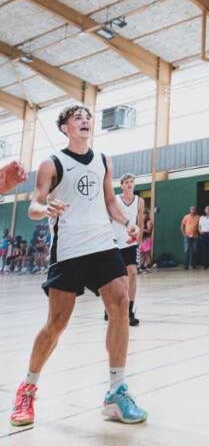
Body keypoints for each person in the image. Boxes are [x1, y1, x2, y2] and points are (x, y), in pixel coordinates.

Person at [10, 105, 146, 427]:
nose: (85, 121)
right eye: (77, 118)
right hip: (69, 250)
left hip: (103, 244)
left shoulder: (103, 160)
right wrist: (45, 208)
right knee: (56, 324)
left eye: (88, 117)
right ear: (65, 128)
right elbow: (34, 204)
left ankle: (116, 391)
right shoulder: (52, 163)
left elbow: (109, 200)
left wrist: (127, 222)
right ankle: (27, 388)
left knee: (120, 304)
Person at [106, 174, 143, 326]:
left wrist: (138, 242)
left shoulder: (139, 201)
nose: (129, 184)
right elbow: (110, 217)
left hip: (130, 242)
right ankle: (110, 307)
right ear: (121, 185)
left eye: (131, 182)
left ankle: (129, 311)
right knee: (115, 278)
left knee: (132, 273)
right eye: (126, 182)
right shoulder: (116, 200)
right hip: (115, 241)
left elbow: (139, 222)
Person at [180, 206, 199, 270]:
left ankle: (193, 265)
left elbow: (200, 226)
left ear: (195, 210)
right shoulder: (186, 217)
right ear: (190, 210)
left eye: (194, 209)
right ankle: (186, 266)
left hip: (195, 236)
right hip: (187, 236)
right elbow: (182, 225)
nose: (193, 210)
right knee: (186, 250)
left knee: (194, 251)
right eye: (192, 209)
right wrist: (183, 234)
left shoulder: (198, 217)